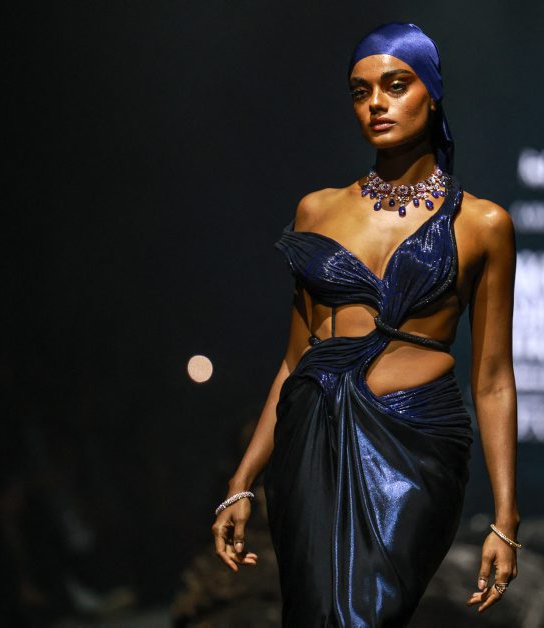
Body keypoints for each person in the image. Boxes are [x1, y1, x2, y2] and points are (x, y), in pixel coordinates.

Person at [211, 22, 520, 625]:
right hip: (312, 442)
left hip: (417, 450)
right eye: (360, 91)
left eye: (396, 85)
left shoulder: (483, 225)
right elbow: (293, 361)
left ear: (432, 93)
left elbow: (493, 381)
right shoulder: (317, 209)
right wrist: (242, 479)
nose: (376, 102)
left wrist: (505, 519)